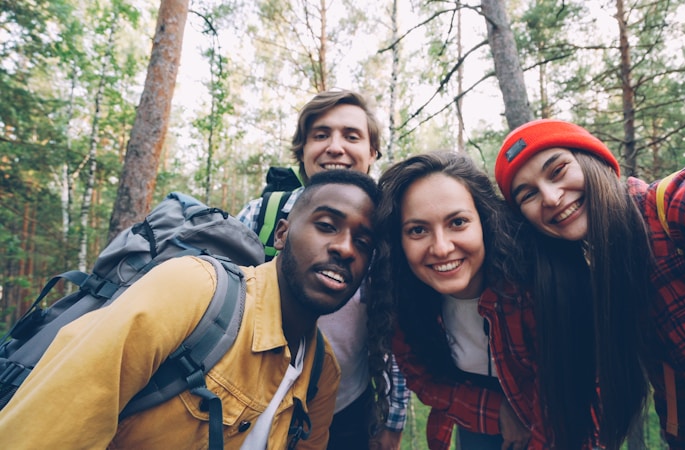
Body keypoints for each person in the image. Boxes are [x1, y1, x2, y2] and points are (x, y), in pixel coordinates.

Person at [0, 170, 381, 449]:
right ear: (281, 234)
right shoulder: (193, 290)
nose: (346, 248)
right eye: (327, 225)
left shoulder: (322, 372)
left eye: (363, 242)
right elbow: (47, 431)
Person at [494, 118, 685, 449]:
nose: (551, 198)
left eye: (557, 171)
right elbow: (684, 400)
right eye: (528, 195)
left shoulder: (684, 201)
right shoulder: (607, 278)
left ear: (595, 162)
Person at [237, 89, 408, 450]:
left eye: (351, 135)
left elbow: (399, 330)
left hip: (346, 413)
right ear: (302, 150)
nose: (335, 147)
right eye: (321, 134)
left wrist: (392, 421)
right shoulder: (262, 215)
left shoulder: (390, 231)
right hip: (248, 403)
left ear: (372, 153)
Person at [368, 151, 546, 450]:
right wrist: (496, 411)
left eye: (458, 222)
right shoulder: (404, 296)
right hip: (475, 418)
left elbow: (575, 392)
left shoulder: (533, 285)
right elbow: (422, 378)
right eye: (418, 230)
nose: (441, 248)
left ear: (485, 220)